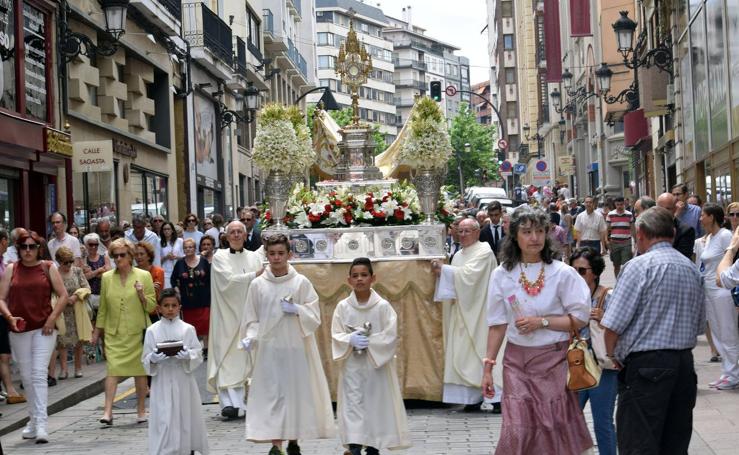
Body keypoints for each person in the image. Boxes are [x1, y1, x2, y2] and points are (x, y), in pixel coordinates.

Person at [482, 206, 593, 454]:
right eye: (527, 231)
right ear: (514, 237)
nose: (534, 238)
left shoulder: (562, 273)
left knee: (551, 424)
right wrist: (488, 367)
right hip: (516, 361)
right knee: (517, 425)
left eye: (540, 231)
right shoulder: (501, 274)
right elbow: (497, 324)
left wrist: (542, 321)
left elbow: (580, 318)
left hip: (554, 359)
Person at [601, 207, 705, 454]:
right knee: (675, 442)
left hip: (647, 366)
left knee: (638, 441)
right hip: (683, 365)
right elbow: (700, 324)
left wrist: (612, 355)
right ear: (672, 233)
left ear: (641, 233)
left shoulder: (638, 266)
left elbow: (613, 324)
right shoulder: (691, 268)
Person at [241, 234, 334, 455]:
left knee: (293, 395)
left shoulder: (300, 282)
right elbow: (251, 316)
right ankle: (276, 444)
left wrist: (298, 311)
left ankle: (293, 440)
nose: (276, 258)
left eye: (281, 253)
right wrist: (250, 336)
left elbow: (314, 314)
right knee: (272, 396)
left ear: (289, 255)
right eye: (272, 254)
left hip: (295, 348)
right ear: (266, 255)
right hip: (269, 350)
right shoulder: (257, 285)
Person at [332, 257, 410, 455]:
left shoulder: (382, 306)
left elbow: (390, 334)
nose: (360, 279)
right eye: (355, 276)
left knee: (375, 404)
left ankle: (374, 445)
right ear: (348, 280)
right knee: (353, 404)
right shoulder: (343, 307)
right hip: (352, 365)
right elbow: (336, 333)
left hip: (375, 366)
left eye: (364, 275)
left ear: (373, 278)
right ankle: (355, 445)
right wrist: (350, 339)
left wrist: (371, 342)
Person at [0, 231, 69, 443]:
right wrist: (10, 317)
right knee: (27, 376)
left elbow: (63, 295)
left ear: (38, 248)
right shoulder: (12, 268)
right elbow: (1, 298)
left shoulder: (48, 267)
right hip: (19, 328)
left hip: (44, 328)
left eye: (32, 246)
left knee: (39, 374)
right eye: (23, 247)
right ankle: (32, 420)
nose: (28, 250)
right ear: (18, 249)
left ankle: (41, 424)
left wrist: (51, 318)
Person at [431, 218, 499, 410]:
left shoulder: (484, 252)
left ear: (478, 232)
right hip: (461, 312)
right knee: (462, 351)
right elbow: (457, 277)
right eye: (459, 231)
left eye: (467, 231)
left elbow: (471, 277)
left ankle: (492, 396)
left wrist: (444, 269)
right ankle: (470, 398)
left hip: (479, 312)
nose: (462, 235)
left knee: (479, 350)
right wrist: (445, 271)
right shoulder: (459, 255)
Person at [92, 238, 156, 426]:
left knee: (139, 371)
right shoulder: (106, 278)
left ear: (130, 256)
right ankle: (108, 411)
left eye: (122, 255)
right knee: (112, 370)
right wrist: (97, 333)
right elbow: (103, 308)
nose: (118, 259)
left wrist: (142, 295)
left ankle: (141, 410)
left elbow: (152, 306)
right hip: (114, 332)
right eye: (115, 255)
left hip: (137, 331)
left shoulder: (143, 275)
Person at [207, 221, 263, 420]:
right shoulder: (220, 256)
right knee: (226, 356)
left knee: (246, 358)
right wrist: (254, 275)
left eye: (240, 231)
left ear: (246, 235)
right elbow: (228, 282)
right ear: (226, 236)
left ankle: (242, 404)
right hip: (226, 315)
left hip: (249, 314)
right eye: (233, 232)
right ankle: (229, 404)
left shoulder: (255, 256)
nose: (237, 235)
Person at [142, 288, 208, 455]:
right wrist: (153, 358)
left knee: (185, 415)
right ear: (159, 308)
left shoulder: (188, 329)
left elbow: (198, 353)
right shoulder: (152, 331)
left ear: (180, 307)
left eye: (174, 305)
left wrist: (189, 355)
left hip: (182, 379)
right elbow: (145, 358)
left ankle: (187, 448)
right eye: (166, 305)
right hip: (163, 380)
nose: (170, 309)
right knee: (164, 418)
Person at [570, 247, 617, 455]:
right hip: (575, 364)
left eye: (582, 271)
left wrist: (604, 318)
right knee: (570, 419)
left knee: (602, 421)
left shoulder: (608, 296)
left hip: (602, 365)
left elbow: (623, 329)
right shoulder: (567, 297)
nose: (577, 275)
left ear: (595, 272)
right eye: (573, 270)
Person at [695, 204, 739, 389]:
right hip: (710, 290)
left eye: (703, 215)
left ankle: (734, 374)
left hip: (723, 291)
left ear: (712, 217)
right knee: (717, 332)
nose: (700, 218)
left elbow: (729, 261)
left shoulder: (725, 236)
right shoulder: (709, 238)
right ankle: (727, 371)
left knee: (728, 332)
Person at [49, 246, 92, 381]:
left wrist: (76, 296)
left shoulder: (78, 271)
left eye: (70, 261)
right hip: (61, 311)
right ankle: (63, 370)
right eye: (65, 262)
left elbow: (86, 288)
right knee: (62, 341)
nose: (68, 265)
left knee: (79, 340)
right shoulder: (54, 273)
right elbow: (51, 292)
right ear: (59, 261)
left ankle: (78, 368)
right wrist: (61, 300)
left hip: (77, 309)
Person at [0, 229, 24, 404]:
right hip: (2, 312)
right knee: (4, 354)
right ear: (3, 241)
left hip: (5, 312)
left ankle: (8, 389)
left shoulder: (3, 261)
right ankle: (9, 389)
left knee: (4, 353)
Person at [171, 239, 211, 343]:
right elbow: (173, 279)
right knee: (190, 327)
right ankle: (194, 347)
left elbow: (210, 278)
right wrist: (177, 291)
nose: (188, 249)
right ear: (183, 250)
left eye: (190, 247)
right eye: (185, 247)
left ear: (195, 248)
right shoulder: (179, 263)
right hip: (187, 301)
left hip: (204, 299)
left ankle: (206, 349)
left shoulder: (203, 261)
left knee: (205, 325)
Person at [656, 192, 696, 259]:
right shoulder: (649, 228)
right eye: (660, 208)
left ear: (675, 209)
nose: (663, 212)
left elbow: (683, 256)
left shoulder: (686, 231)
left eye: (668, 209)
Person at [83, 233, 111, 321]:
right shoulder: (84, 260)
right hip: (89, 295)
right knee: (91, 321)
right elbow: (83, 278)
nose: (94, 247)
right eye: (91, 244)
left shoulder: (104, 257)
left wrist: (91, 273)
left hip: (102, 294)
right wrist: (98, 271)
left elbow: (108, 274)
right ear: (86, 245)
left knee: (103, 320)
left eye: (96, 244)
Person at [606, 196, 634, 277]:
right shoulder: (610, 215)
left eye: (621, 204)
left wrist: (635, 241)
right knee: (616, 265)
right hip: (614, 243)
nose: (619, 206)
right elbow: (607, 229)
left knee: (627, 265)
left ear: (624, 204)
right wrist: (607, 241)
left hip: (626, 242)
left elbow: (632, 228)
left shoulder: (629, 215)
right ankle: (618, 281)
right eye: (617, 204)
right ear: (615, 204)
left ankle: (625, 280)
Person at [160, 221, 184, 287]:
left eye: (168, 229)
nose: (166, 231)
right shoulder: (159, 242)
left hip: (179, 271)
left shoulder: (180, 241)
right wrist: (166, 257)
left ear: (172, 230)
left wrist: (176, 257)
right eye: (164, 229)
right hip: (165, 273)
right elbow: (157, 261)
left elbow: (186, 257)